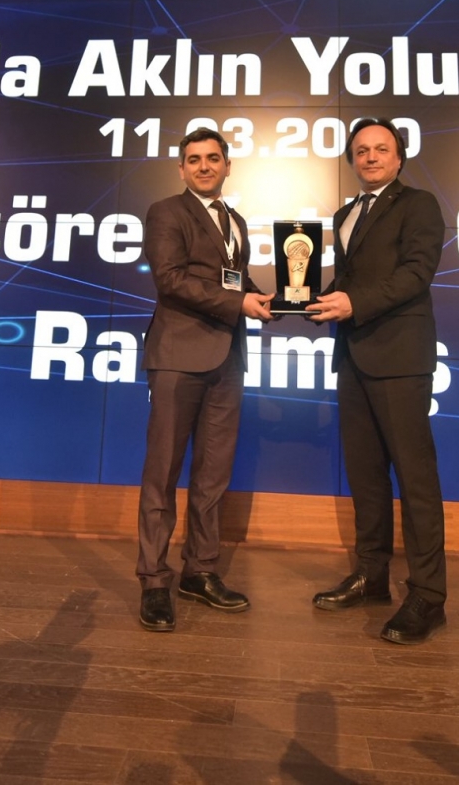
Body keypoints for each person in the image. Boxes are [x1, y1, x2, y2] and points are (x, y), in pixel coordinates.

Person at [305, 118, 448, 644]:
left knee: (415, 479)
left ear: (398, 157)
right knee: (365, 477)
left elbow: (416, 273)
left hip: (401, 358)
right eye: (361, 150)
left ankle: (428, 595)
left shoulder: (419, 205)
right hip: (354, 357)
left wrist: (352, 303)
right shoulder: (345, 214)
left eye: (380, 149)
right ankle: (372, 576)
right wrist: (304, 301)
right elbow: (350, 282)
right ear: (351, 160)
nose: (370, 157)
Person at [136, 127, 275, 632]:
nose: (203, 166)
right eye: (193, 159)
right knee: (163, 473)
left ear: (227, 165)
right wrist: (240, 303)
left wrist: (280, 300)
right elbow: (170, 280)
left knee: (213, 475)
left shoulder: (234, 220)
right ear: (181, 168)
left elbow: (233, 282)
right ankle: (155, 581)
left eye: (212, 158)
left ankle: (200, 571)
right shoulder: (166, 212)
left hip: (227, 358)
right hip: (178, 356)